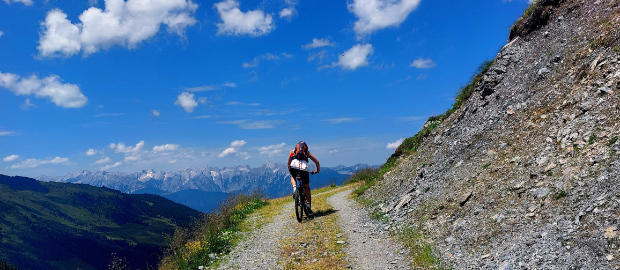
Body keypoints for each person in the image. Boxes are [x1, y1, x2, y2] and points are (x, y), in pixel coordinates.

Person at [287, 141, 320, 214]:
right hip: (304, 169)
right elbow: (316, 162)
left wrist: (290, 169)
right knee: (306, 186)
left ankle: (295, 189)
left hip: (294, 166)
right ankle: (308, 205)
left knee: (293, 176)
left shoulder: (292, 151)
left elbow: (288, 163)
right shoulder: (307, 152)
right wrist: (317, 170)